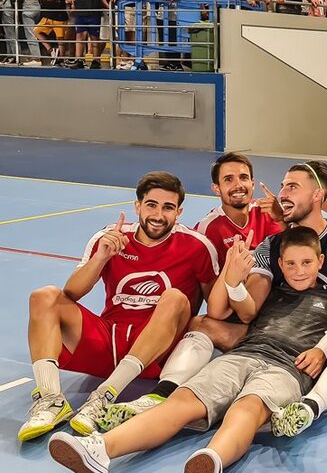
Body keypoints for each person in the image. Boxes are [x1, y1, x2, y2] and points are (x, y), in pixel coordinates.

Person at [49, 226, 327, 473]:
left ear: (321, 261)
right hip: (243, 354)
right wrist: (233, 277)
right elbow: (234, 310)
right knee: (181, 402)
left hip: (287, 369)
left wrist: (326, 349)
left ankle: (211, 459)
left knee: (248, 409)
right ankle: (101, 449)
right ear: (280, 264)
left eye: (307, 262)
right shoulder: (268, 292)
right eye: (291, 264)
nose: (299, 270)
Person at [18, 172, 218, 442]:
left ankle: (103, 398)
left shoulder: (197, 246)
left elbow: (215, 306)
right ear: (138, 206)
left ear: (179, 212)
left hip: (155, 353)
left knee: (174, 297)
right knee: (44, 296)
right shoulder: (110, 237)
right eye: (151, 205)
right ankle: (51, 400)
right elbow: (72, 292)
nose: (158, 215)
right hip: (108, 341)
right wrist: (101, 257)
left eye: (168, 207)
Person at [194, 152, 283, 272]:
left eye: (244, 178)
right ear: (216, 189)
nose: (238, 185)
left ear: (252, 184)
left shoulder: (268, 211)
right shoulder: (207, 229)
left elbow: (289, 253)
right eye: (229, 179)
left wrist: (282, 218)